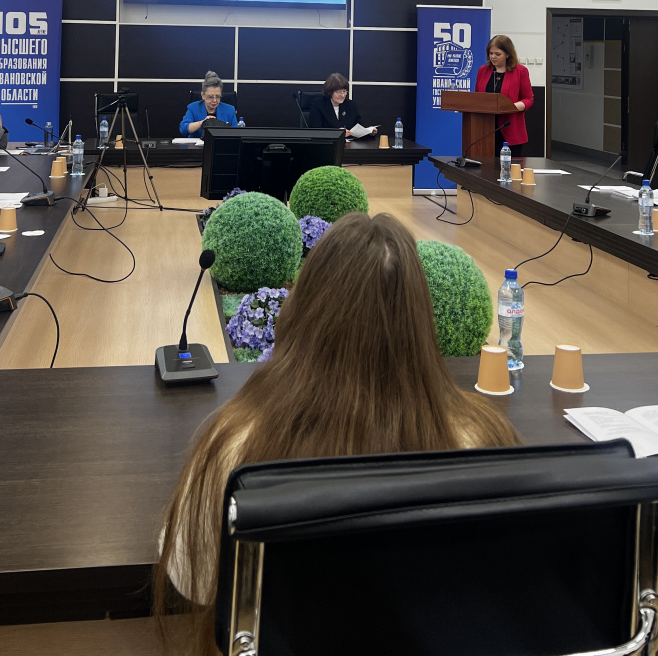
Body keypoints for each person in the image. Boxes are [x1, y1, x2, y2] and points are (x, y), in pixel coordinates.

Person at [154, 212, 520, 648]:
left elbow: (190, 578)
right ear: (422, 321)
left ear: (301, 309)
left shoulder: (234, 446)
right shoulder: (484, 441)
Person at [475, 35, 534, 158]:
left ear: (507, 54)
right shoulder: (483, 70)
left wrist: (512, 106)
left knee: (509, 168)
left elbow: (529, 99)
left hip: (509, 127)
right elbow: (477, 97)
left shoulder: (520, 71)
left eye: (497, 54)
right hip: (485, 129)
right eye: (491, 53)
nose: (493, 57)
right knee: (485, 166)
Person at [308, 72, 375, 135]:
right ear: (330, 92)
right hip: (328, 142)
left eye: (344, 91)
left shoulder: (350, 105)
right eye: (338, 92)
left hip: (349, 142)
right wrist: (337, 133)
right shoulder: (318, 105)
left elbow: (358, 126)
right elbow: (316, 131)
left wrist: (368, 132)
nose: (342, 95)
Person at [179, 71, 238, 137]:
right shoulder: (193, 108)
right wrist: (202, 123)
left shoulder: (230, 110)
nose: (214, 100)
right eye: (210, 97)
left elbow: (236, 133)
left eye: (218, 96)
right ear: (203, 95)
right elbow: (183, 130)